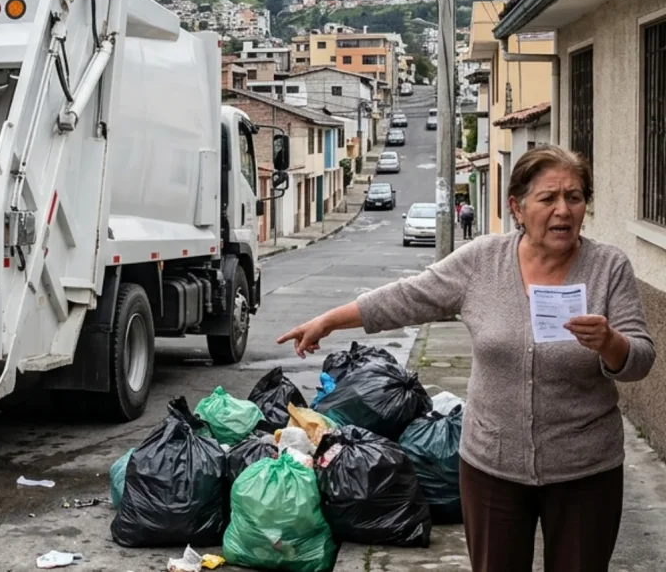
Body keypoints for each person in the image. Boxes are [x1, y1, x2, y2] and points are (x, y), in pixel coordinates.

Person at [277, 146, 655, 572]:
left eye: (575, 197)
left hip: (586, 469)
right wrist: (329, 321)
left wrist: (609, 342)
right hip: (492, 467)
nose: (563, 211)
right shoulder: (482, 261)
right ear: (517, 206)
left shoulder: (608, 267)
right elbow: (408, 296)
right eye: (548, 198)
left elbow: (641, 359)